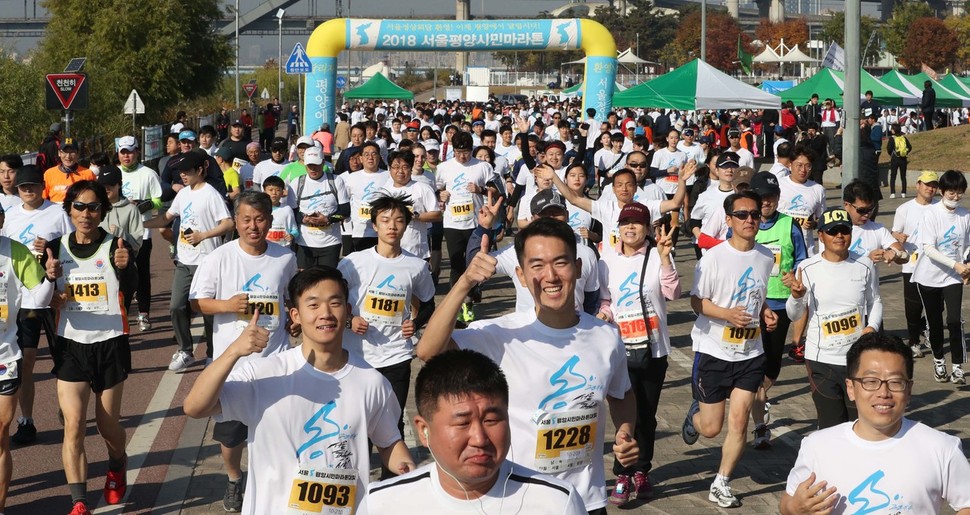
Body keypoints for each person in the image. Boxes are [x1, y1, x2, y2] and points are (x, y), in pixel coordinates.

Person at [417, 218, 639, 514]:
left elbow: (622, 394)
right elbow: (428, 351)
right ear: (521, 275)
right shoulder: (500, 335)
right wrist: (464, 283)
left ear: (578, 267)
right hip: (519, 500)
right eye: (537, 266)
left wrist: (625, 432)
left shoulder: (606, 336)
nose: (550, 276)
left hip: (586, 500)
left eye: (560, 263)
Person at [184, 266, 415, 514]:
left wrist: (410, 473)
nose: (325, 313)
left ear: (348, 311)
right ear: (295, 315)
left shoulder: (372, 382)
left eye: (334, 303)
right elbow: (195, 407)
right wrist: (233, 351)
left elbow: (389, 442)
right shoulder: (266, 374)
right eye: (313, 305)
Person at [359, 349, 586, 514]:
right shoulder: (382, 504)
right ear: (423, 430)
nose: (479, 439)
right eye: (462, 423)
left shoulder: (557, 502)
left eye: (491, 419)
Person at [188, 190, 298, 511]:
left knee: (276, 429)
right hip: (233, 366)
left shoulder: (285, 257)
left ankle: (273, 482)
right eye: (246, 219)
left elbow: (291, 297)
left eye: (260, 219)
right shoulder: (219, 258)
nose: (253, 226)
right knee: (231, 436)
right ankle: (235, 478)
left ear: (270, 221)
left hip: (275, 362)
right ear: (235, 222)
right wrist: (227, 304)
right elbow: (197, 302)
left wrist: (293, 321)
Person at [780, 333, 970, 515]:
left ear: (909, 390)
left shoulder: (942, 447)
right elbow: (788, 501)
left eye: (895, 382)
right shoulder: (817, 445)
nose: (883, 392)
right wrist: (796, 508)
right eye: (870, 381)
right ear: (851, 388)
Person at [43, 181, 138, 515]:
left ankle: (117, 461)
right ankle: (78, 501)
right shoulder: (55, 248)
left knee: (106, 425)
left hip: (110, 343)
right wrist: (49, 288)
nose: (86, 214)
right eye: (79, 207)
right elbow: (42, 297)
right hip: (72, 346)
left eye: (93, 207)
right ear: (69, 209)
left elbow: (131, 290)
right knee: (73, 424)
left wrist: (126, 270)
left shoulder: (117, 247)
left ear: (103, 211)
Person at [681, 190, 778, 508]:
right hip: (713, 350)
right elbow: (697, 301)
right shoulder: (713, 258)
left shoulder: (766, 256)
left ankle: (721, 483)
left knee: (739, 422)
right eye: (742, 215)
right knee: (711, 429)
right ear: (729, 220)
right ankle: (695, 414)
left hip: (750, 353)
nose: (750, 219)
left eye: (754, 214)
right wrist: (726, 315)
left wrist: (765, 312)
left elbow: (757, 294)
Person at [337, 194, 436, 452]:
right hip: (357, 357)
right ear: (374, 225)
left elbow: (428, 304)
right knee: (354, 424)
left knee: (392, 423)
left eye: (399, 221)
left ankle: (389, 482)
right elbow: (331, 300)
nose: (392, 226)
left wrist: (416, 323)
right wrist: (349, 320)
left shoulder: (416, 266)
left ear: (406, 226)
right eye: (385, 220)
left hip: (396, 356)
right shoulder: (352, 263)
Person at [595, 203, 678, 505]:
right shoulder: (607, 260)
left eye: (637, 223)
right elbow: (605, 298)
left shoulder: (657, 255)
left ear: (648, 229)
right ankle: (622, 474)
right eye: (625, 223)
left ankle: (642, 470)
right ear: (618, 228)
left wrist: (667, 259)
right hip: (620, 347)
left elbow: (673, 293)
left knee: (646, 413)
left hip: (654, 347)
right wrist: (605, 314)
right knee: (624, 413)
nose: (631, 228)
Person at [784, 206, 882, 430]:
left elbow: (874, 301)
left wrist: (872, 327)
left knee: (860, 425)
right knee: (832, 426)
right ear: (821, 236)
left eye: (844, 230)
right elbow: (794, 314)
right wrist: (797, 297)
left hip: (856, 360)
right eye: (832, 231)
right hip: (822, 360)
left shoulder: (864, 265)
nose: (839, 236)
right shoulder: (808, 268)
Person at [1, 165, 73, 446]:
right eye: (23, 187)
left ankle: (68, 409)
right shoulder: (10, 217)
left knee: (63, 360)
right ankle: (26, 420)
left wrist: (52, 247)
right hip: (25, 301)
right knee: (27, 360)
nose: (28, 191)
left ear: (42, 186)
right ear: (17, 190)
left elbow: (68, 248)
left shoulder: (57, 212)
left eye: (33, 186)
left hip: (53, 295)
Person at [144, 151, 234, 371]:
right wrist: (142, 225)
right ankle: (185, 351)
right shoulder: (183, 194)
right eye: (180, 172)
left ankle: (213, 353)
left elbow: (228, 223)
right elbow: (167, 217)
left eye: (187, 172)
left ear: (200, 170)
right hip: (184, 260)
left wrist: (203, 236)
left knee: (208, 312)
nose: (183, 175)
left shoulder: (211, 194)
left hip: (206, 262)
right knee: (176, 306)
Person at [0, 200, 54, 514]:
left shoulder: (16, 252)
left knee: (1, 435)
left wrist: (47, 279)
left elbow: (39, 296)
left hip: (5, 358)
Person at [747, 172, 808, 449]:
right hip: (749, 304)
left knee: (772, 364)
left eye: (771, 197)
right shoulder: (745, 223)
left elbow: (803, 261)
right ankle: (758, 420)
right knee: (749, 361)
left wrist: (795, 279)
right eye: (761, 198)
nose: (766, 202)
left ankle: (754, 397)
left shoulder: (789, 225)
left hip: (780, 303)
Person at [910, 170, 969, 385]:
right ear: (942, 192)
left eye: (960, 193)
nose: (956, 197)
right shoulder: (931, 214)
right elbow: (929, 248)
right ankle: (938, 360)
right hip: (929, 277)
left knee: (954, 319)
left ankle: (958, 366)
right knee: (934, 322)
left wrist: (967, 261)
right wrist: (956, 264)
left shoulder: (965, 215)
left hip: (953, 277)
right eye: (952, 192)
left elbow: (968, 243)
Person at [435, 131, 496, 324]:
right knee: (456, 265)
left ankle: (469, 301)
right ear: (453, 150)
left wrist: (480, 190)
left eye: (467, 152)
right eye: (459, 152)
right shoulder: (444, 167)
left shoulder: (483, 167)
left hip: (475, 223)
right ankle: (458, 303)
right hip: (452, 223)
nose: (463, 156)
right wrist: (440, 195)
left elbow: (497, 190)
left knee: (474, 264)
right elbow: (437, 189)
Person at [116, 135, 162, 331]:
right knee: (118, 275)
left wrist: (142, 206)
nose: (127, 156)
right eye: (123, 152)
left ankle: (143, 314)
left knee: (142, 274)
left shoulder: (148, 174)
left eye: (130, 152)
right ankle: (120, 314)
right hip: (116, 233)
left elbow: (159, 200)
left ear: (137, 152)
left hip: (141, 233)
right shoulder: (113, 173)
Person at [891, 171, 939, 359]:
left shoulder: (939, 207)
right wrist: (898, 236)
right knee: (913, 306)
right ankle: (913, 341)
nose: (930, 188)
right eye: (927, 184)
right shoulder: (905, 208)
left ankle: (927, 332)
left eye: (934, 185)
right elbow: (894, 231)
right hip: (911, 263)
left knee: (936, 305)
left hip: (935, 264)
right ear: (918, 185)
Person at [290, 146, 350, 269]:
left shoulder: (336, 180)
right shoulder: (297, 183)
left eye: (316, 165)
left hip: (331, 243)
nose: (313, 169)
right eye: (309, 165)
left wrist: (328, 219)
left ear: (323, 162)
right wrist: (303, 219)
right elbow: (292, 212)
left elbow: (345, 211)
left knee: (327, 281)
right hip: (304, 243)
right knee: (305, 282)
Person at [886, 123, 912, 199]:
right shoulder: (904, 137)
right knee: (903, 176)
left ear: (894, 130)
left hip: (895, 159)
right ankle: (903, 192)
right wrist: (905, 152)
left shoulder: (892, 138)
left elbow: (889, 149)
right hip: (903, 159)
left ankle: (893, 193)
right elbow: (910, 147)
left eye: (892, 129)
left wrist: (892, 154)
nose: (891, 130)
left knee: (893, 176)